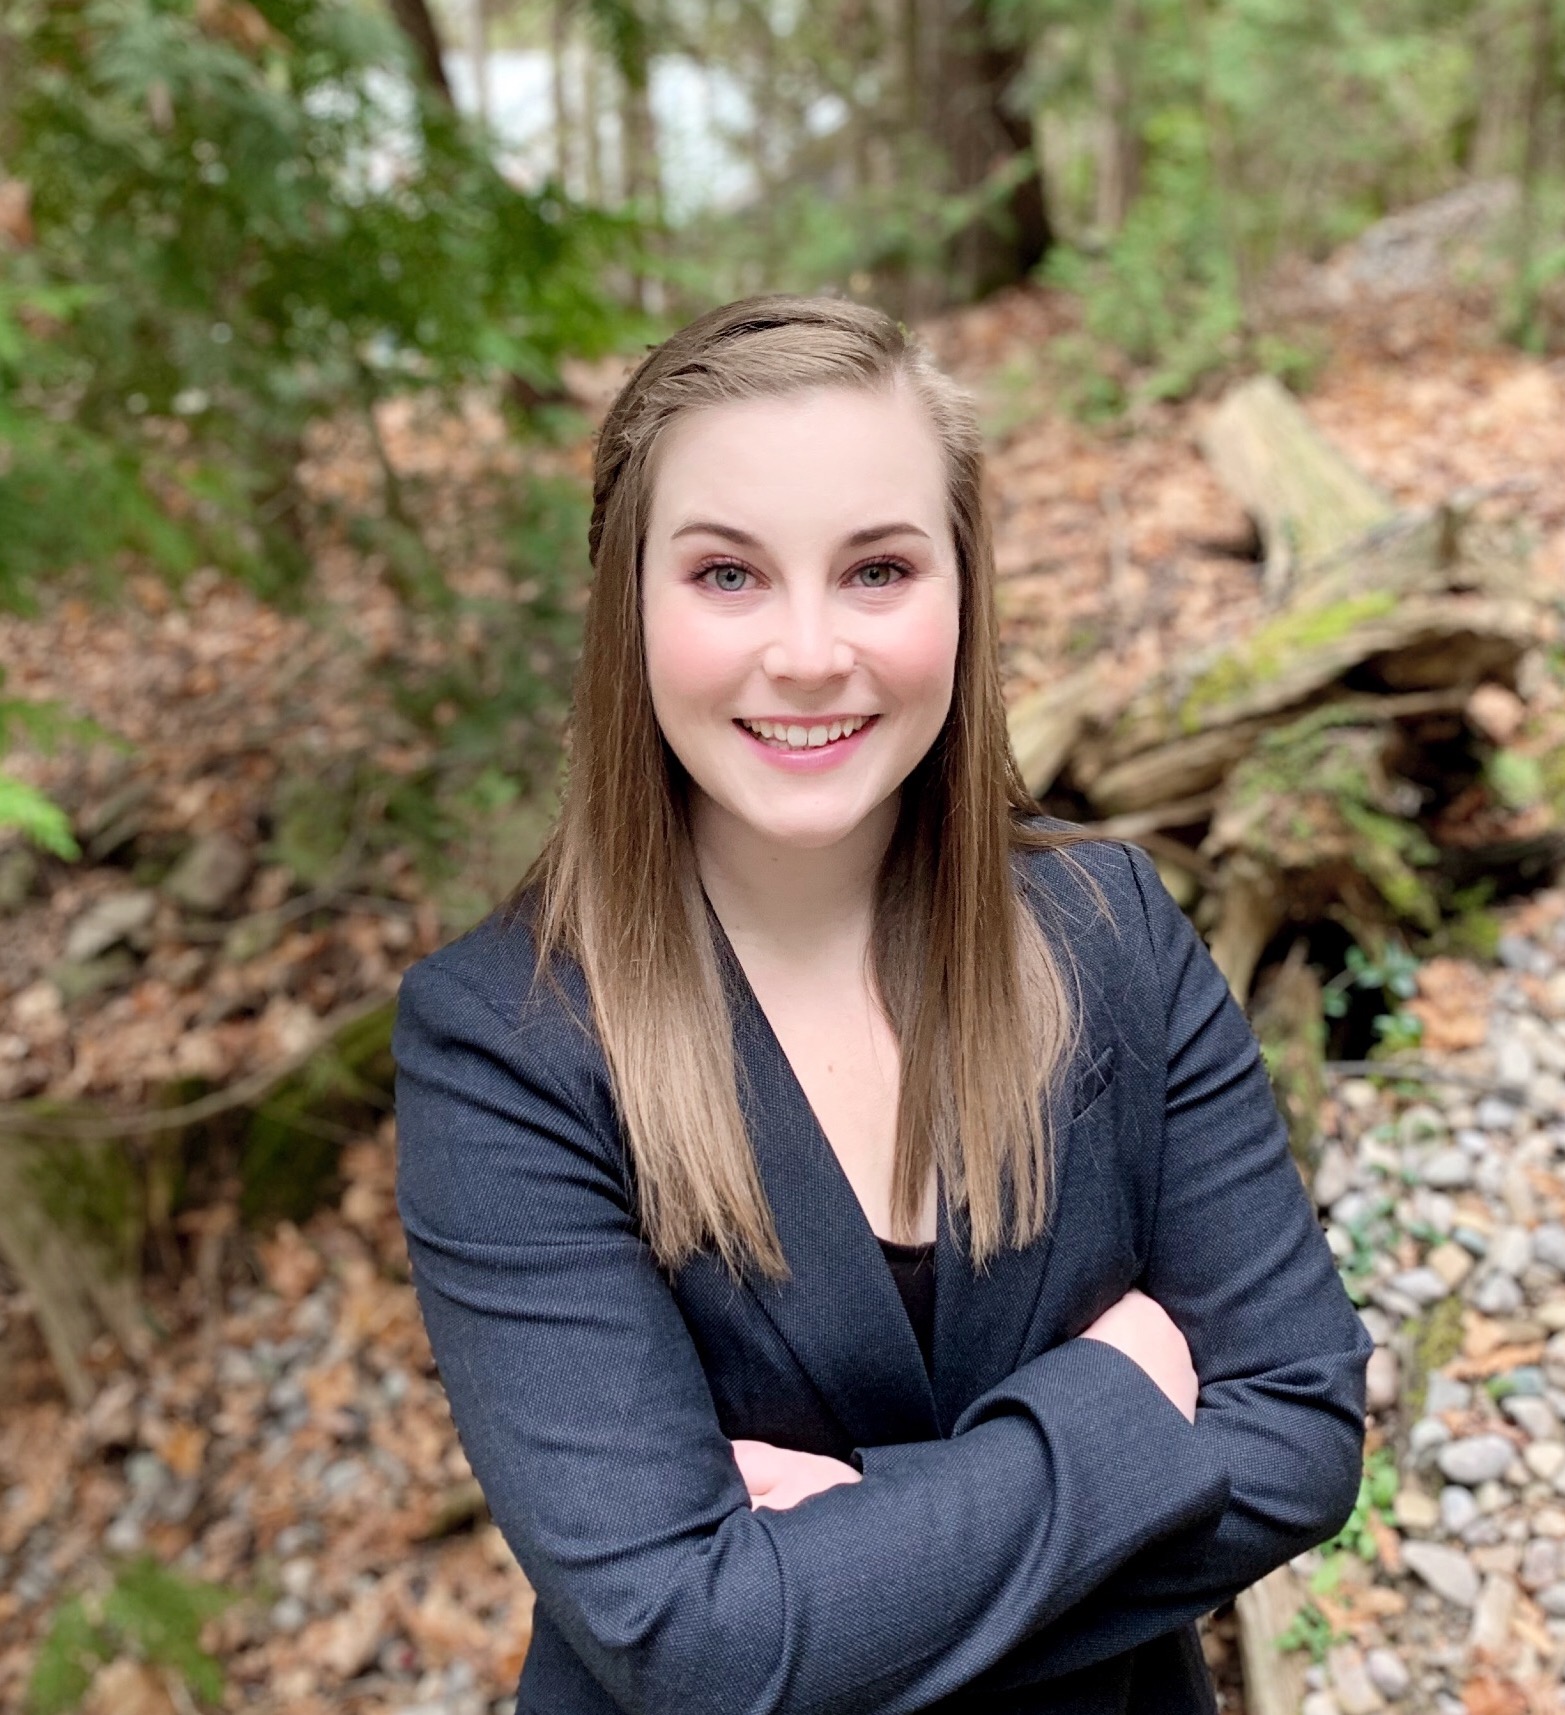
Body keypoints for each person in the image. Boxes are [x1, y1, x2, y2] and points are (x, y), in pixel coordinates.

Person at [390, 293, 1374, 1715]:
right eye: (727, 575)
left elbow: (1296, 1429)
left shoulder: (1111, 934)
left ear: (962, 592)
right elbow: (696, 1646)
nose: (805, 650)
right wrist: (1121, 1413)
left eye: (876, 571)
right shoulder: (505, 1042)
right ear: (625, 604)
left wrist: (838, 1556)